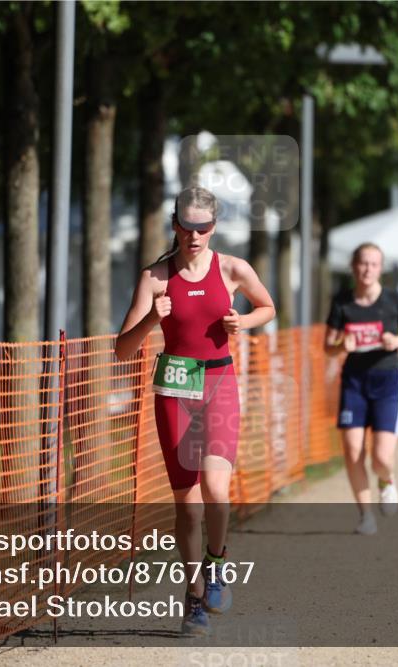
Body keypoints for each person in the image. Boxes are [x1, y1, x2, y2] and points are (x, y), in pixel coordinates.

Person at [114, 186, 275, 636]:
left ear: (214, 227)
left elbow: (268, 307)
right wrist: (152, 320)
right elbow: (121, 350)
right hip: (175, 387)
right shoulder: (155, 278)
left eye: (204, 227)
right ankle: (193, 596)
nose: (195, 235)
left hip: (219, 381)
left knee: (216, 488)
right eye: (187, 226)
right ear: (175, 226)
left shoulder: (234, 269)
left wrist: (242, 321)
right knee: (187, 505)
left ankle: (218, 562)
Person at [324, 243, 398, 535]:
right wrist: (342, 345)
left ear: (381, 268)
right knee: (352, 451)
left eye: (374, 264)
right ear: (354, 267)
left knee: (381, 458)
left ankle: (386, 480)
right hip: (354, 381)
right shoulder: (342, 302)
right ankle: (365, 515)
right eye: (363, 263)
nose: (367, 269)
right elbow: (328, 346)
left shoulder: (395, 300)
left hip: (387, 380)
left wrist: (397, 341)